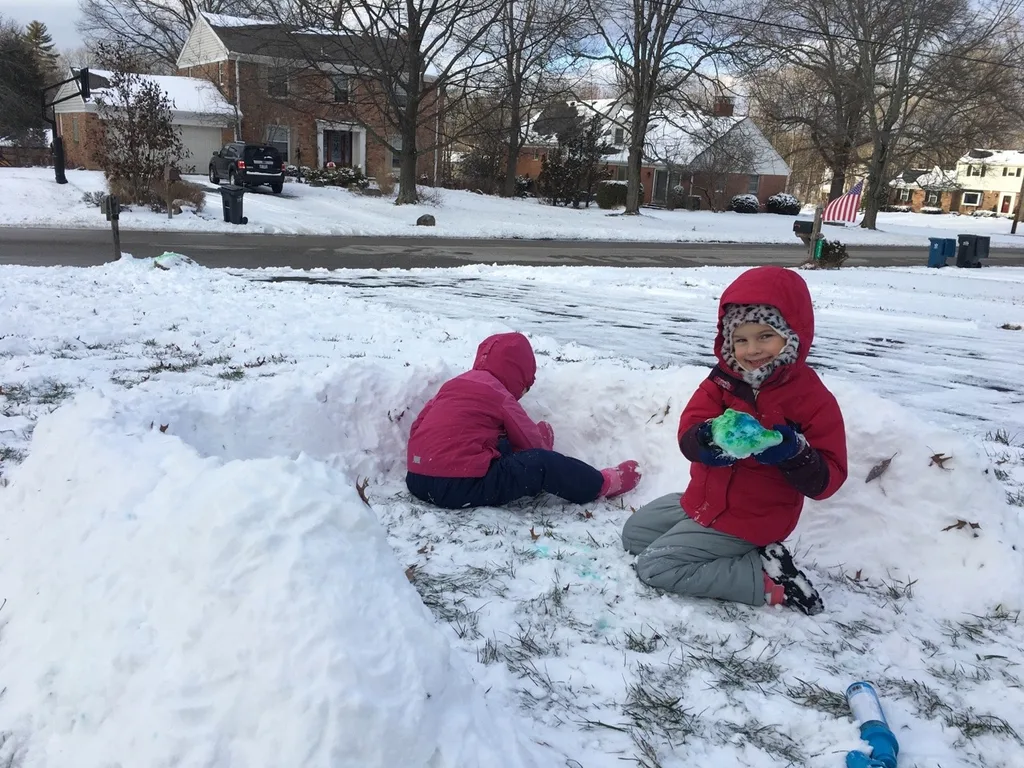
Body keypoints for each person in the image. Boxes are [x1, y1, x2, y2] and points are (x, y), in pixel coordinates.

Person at [622, 266, 847, 615]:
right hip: (704, 501)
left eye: (765, 336)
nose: (752, 350)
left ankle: (768, 580)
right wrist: (709, 438)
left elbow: (828, 478)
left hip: (752, 517)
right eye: (741, 339)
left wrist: (794, 452)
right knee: (635, 535)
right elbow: (689, 433)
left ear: (792, 336)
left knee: (656, 566)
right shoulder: (723, 382)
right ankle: (754, 556)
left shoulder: (811, 399)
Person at [406, 332, 641, 509]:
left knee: (499, 443)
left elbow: (418, 427)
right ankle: (602, 483)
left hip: (417, 479)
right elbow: (533, 446)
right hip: (461, 486)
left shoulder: (453, 385)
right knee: (542, 462)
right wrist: (542, 449)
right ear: (518, 374)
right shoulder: (499, 393)